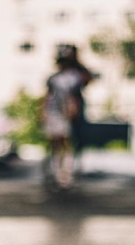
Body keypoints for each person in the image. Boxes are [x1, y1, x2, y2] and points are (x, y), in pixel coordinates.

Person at [43, 53, 84, 189]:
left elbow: (75, 96)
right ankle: (57, 172)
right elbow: (47, 96)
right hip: (55, 113)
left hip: (65, 114)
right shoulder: (54, 79)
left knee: (66, 143)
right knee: (56, 143)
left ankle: (65, 173)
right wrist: (44, 111)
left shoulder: (73, 77)